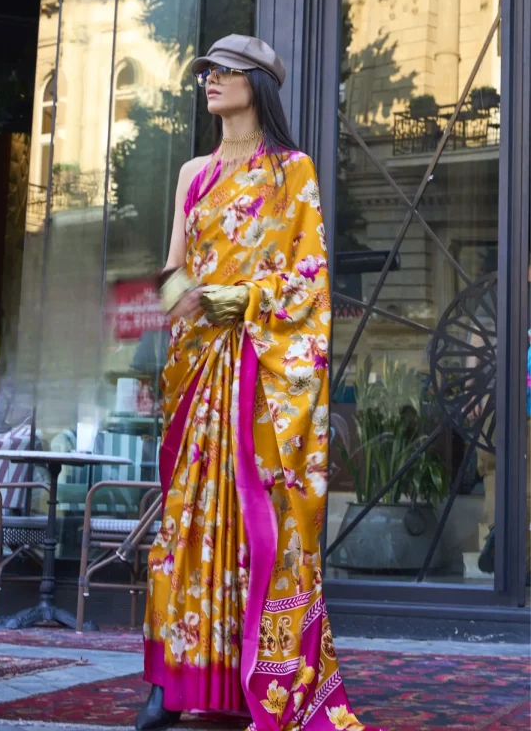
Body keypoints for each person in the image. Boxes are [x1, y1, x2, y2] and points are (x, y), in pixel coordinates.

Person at [137, 35, 385, 731]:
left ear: (258, 85)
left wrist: (230, 301)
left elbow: (309, 281)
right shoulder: (193, 172)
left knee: (260, 527)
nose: (209, 81)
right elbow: (170, 270)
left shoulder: (292, 172)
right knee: (187, 525)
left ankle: (270, 683)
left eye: (223, 72)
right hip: (199, 373)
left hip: (261, 371)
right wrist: (176, 299)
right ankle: (180, 680)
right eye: (205, 73)